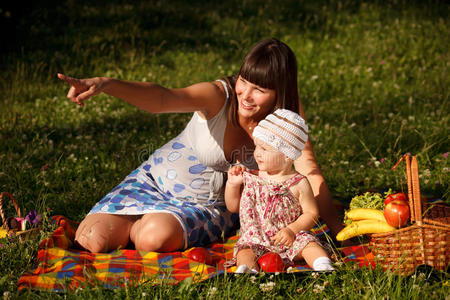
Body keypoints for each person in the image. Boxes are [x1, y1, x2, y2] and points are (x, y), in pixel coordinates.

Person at [57, 38, 343, 253]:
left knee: (152, 238)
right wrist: (108, 84)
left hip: (210, 206)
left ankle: (144, 226)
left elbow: (309, 172)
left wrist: (338, 230)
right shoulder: (219, 95)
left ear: (281, 93)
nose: (247, 95)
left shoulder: (287, 117)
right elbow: (161, 99)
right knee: (90, 240)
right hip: (154, 181)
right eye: (245, 81)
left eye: (260, 90)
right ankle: (131, 223)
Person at [225, 109, 333, 272]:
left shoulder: (298, 183)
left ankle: (322, 264)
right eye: (256, 147)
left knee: (309, 244)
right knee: (244, 251)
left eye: (264, 149)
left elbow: (311, 213)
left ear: (287, 156)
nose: (257, 153)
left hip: (290, 239)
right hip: (256, 239)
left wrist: (292, 230)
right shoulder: (253, 177)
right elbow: (233, 207)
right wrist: (232, 185)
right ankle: (248, 270)